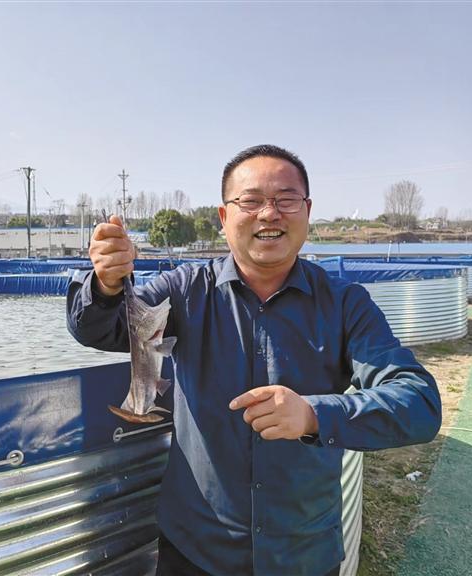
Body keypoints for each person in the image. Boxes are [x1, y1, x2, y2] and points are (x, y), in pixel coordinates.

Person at [66, 144, 442, 576]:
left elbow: (420, 403)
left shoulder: (345, 305)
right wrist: (106, 284)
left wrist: (314, 415)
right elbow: (98, 329)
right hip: (195, 551)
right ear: (224, 217)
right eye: (251, 201)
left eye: (286, 199)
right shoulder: (185, 291)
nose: (269, 214)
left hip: (303, 554)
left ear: (307, 211)